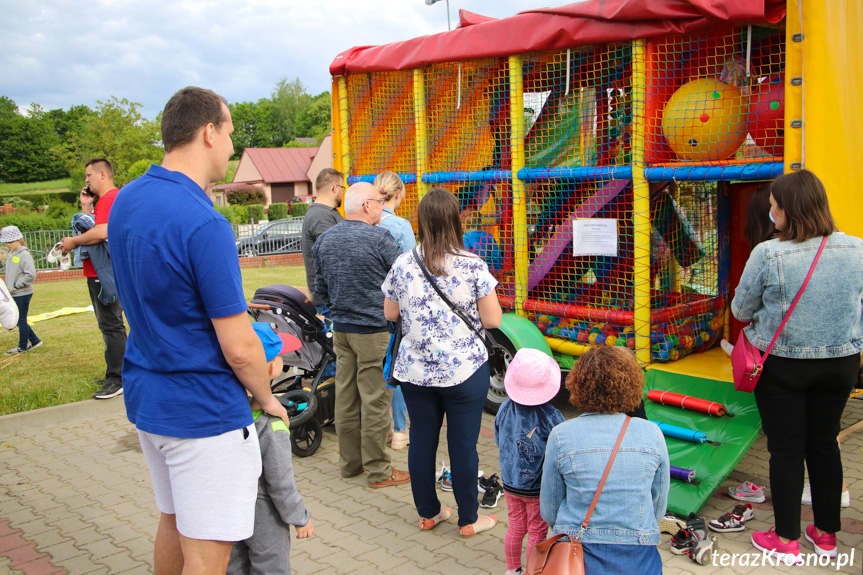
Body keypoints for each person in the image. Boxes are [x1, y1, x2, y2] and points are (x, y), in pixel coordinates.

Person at [108, 86, 290, 575]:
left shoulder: (126, 200)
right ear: (209, 132)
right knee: (209, 554)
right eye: (230, 133)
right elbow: (239, 347)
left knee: (175, 521)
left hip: (150, 400)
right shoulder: (204, 222)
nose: (232, 148)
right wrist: (268, 396)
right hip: (204, 413)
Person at [731, 169, 863, 563]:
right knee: (823, 444)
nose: (771, 213)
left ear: (785, 210)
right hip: (841, 364)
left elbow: (740, 309)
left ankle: (785, 538)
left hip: (783, 367)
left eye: (773, 207)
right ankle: (825, 535)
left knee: (786, 450)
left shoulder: (769, 253)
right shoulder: (857, 248)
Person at [382, 187, 502, 536]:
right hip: (464, 369)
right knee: (463, 445)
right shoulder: (472, 264)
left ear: (421, 221)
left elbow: (391, 312)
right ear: (455, 220)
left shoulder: (403, 263)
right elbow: (492, 320)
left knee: (422, 441)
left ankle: (429, 513)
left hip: (415, 371)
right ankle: (469, 518)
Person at [313, 181, 409, 488]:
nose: (383, 206)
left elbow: (320, 290)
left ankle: (350, 465)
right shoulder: (380, 238)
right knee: (376, 399)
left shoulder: (325, 240)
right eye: (379, 201)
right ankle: (379, 471)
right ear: (366, 206)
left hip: (340, 329)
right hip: (372, 331)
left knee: (346, 395)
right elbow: (402, 282)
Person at [541, 346, 669, 574]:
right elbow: (657, 507)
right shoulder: (652, 434)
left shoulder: (561, 435)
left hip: (577, 555)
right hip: (638, 555)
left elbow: (550, 510)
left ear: (577, 384)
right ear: (632, 384)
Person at [228, 323, 313, 575]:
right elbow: (280, 481)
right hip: (263, 512)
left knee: (232, 565)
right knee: (270, 566)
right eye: (279, 357)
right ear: (269, 367)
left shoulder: (229, 414)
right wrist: (299, 516)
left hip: (227, 504)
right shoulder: (272, 424)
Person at [59, 158, 127, 400]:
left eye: (88, 175)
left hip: (103, 274)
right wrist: (87, 207)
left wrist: (72, 242)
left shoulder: (110, 198)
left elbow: (101, 231)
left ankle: (118, 378)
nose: (86, 180)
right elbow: (92, 225)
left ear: (102, 174)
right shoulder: (104, 201)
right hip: (99, 272)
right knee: (109, 324)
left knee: (111, 324)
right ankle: (118, 371)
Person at [494, 348, 564, 575]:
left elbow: (498, 437)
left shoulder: (504, 408)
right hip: (538, 487)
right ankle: (533, 570)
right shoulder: (552, 416)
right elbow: (559, 450)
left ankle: (512, 569)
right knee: (537, 531)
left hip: (510, 481)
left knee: (515, 526)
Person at [374, 170, 416, 451]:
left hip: (368, 306)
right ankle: (400, 429)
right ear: (399, 194)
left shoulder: (367, 222)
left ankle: (380, 429)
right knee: (398, 365)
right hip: (396, 307)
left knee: (374, 368)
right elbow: (413, 269)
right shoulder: (401, 226)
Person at [302, 168, 345, 319]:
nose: (342, 193)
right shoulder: (321, 216)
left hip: (330, 299)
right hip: (328, 301)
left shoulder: (325, 212)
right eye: (342, 188)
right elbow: (331, 256)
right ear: (335, 188)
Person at [1, 226, 42, 354]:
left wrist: (17, 285)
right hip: (13, 293)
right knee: (20, 320)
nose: (8, 244)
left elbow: (30, 274)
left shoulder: (24, 255)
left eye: (10, 241)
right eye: (6, 242)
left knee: (20, 320)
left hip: (22, 293)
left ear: (18, 239)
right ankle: (35, 341)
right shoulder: (11, 254)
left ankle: (22, 346)